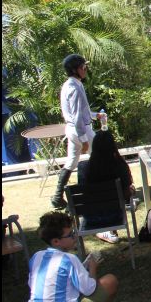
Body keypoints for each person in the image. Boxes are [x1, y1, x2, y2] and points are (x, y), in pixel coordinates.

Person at [28, 211, 118, 302]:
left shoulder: (36, 257)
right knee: (110, 281)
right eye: (70, 235)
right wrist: (93, 267)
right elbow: (89, 289)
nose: (75, 237)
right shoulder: (69, 259)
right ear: (56, 241)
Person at [52, 54, 98, 209]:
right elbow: (77, 116)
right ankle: (105, 191)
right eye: (83, 67)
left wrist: (95, 115)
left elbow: (82, 111)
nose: (85, 70)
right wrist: (84, 139)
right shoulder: (74, 88)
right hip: (81, 129)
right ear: (75, 70)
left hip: (73, 129)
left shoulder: (71, 84)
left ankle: (57, 197)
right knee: (100, 157)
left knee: (71, 161)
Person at [77, 130, 135, 244]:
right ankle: (110, 232)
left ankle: (107, 233)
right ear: (113, 146)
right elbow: (126, 194)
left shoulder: (84, 168)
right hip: (115, 216)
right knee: (121, 198)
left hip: (91, 218)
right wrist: (131, 191)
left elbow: (83, 191)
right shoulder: (120, 165)